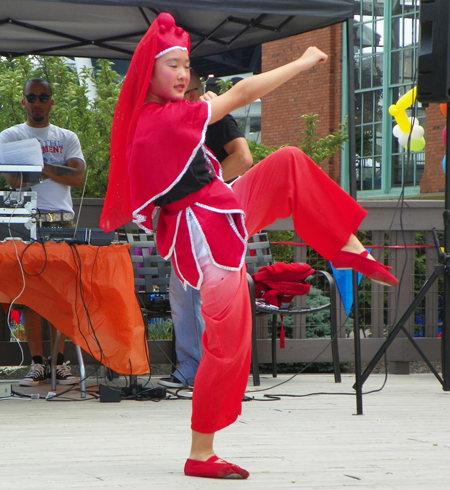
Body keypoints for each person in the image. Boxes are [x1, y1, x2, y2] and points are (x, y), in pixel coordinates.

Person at [100, 13, 398, 480]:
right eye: (172, 65)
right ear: (149, 73)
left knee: (289, 162)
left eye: (186, 65)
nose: (182, 75)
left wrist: (207, 107)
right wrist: (302, 62)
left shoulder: (170, 114)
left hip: (222, 208)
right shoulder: (161, 119)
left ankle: (349, 247)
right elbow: (242, 95)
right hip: (206, 234)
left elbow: (216, 142)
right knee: (228, 343)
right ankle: (200, 453)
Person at [158, 71, 253, 389]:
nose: (186, 99)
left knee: (211, 298)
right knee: (182, 294)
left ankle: (217, 372)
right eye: (178, 93)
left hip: (216, 218)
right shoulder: (170, 122)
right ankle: (189, 367)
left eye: (191, 92)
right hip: (183, 221)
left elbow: (243, 157)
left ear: (200, 91)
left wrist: (205, 189)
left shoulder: (215, 116)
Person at [0, 78, 86, 387]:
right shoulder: (11, 135)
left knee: (61, 293)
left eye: (43, 97)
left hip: (61, 220)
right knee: (31, 293)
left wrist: (36, 165)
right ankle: (37, 362)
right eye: (32, 97)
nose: (37, 102)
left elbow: (77, 177)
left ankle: (59, 362)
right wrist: (54, 168)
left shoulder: (66, 137)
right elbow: (14, 180)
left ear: (51, 102)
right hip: (26, 219)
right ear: (22, 101)